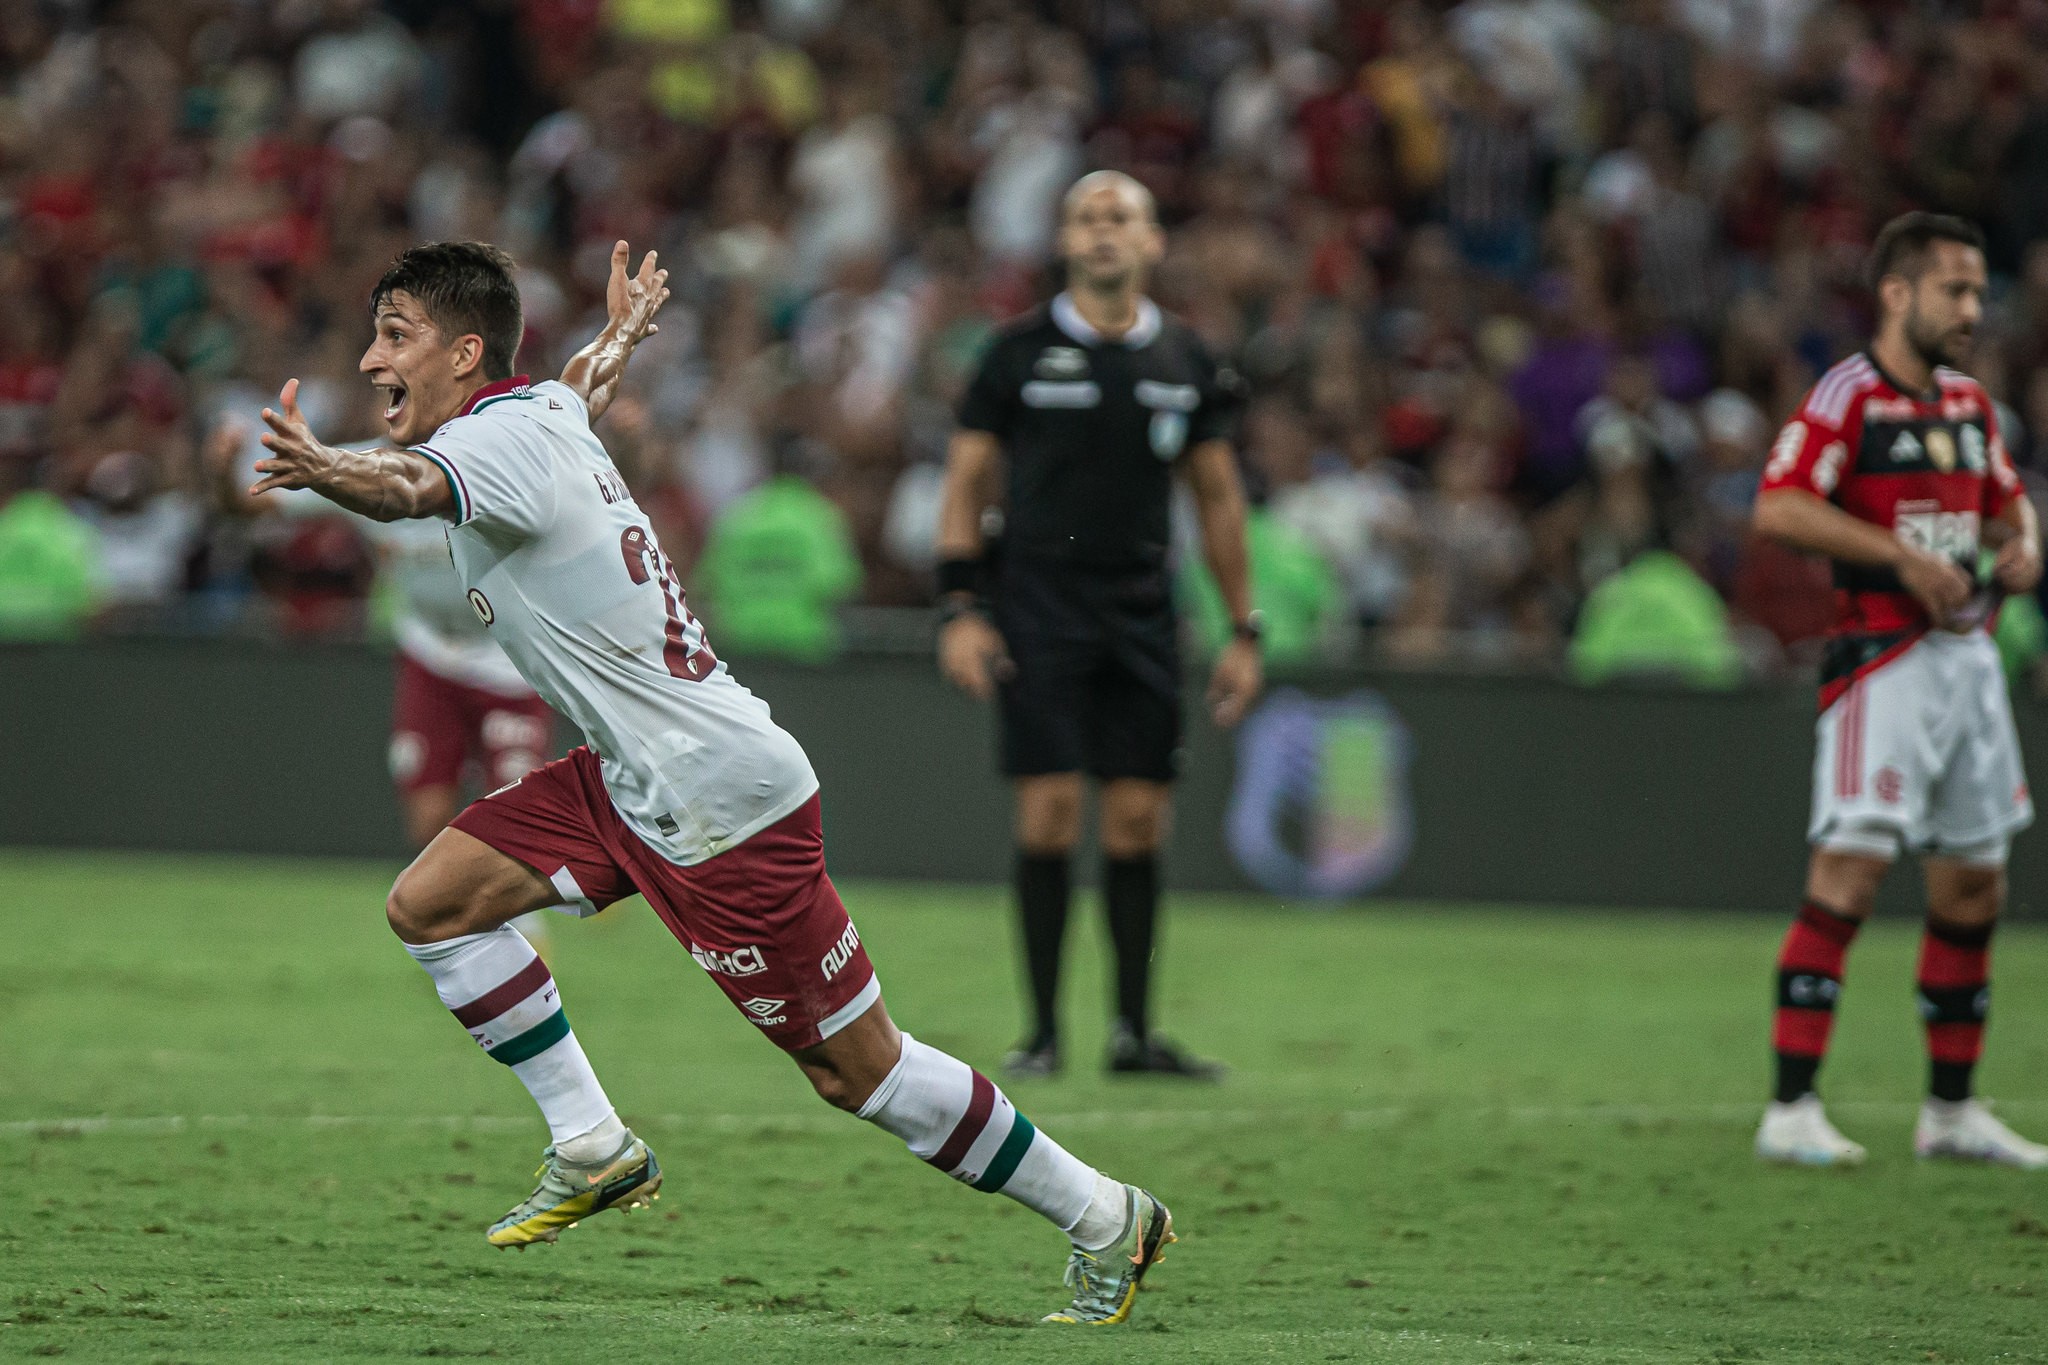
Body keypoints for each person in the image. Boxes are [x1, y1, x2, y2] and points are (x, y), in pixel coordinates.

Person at [247, 239, 1176, 1326]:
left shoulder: (489, 447)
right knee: (432, 906)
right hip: (633, 778)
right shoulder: (540, 409)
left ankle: (1106, 1214)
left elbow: (407, 488)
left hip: (717, 802)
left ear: (462, 352)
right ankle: (592, 1142)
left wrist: (327, 473)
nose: (368, 361)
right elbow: (578, 385)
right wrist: (623, 337)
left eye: (392, 335)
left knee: (858, 1073)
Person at [935, 171, 1262, 1080]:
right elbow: (965, 483)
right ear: (1066, 242)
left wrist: (1245, 627)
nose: (1104, 231)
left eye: (1121, 217)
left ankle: (1132, 1033)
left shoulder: (1189, 362)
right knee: (1046, 814)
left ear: (1154, 243)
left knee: (1137, 820)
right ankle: (1042, 1032)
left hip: (1142, 612)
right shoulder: (1015, 355)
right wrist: (962, 607)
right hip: (1038, 605)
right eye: (1086, 217)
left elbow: (1220, 501)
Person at [1750, 213, 2048, 1169]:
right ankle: (1790, 1107)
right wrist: (1899, 558)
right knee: (1852, 868)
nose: (1973, 308)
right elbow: (1780, 505)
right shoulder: (1849, 396)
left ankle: (1951, 1113)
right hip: (1880, 661)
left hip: (1969, 665)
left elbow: (2009, 504)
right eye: (1955, 290)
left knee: (1974, 881)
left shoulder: (1968, 405)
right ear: (1897, 293)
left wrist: (2024, 543)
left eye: (1977, 291)